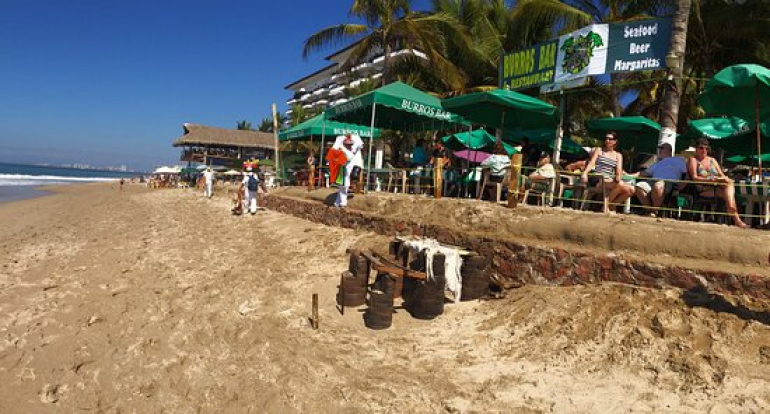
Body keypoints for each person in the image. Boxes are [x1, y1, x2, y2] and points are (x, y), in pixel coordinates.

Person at [686, 138, 748, 228]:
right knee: (727, 191)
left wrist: (722, 179)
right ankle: (734, 215)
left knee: (728, 183)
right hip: (703, 189)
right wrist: (711, 179)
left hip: (717, 185)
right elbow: (695, 178)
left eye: (706, 149)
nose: (704, 150)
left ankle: (731, 208)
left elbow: (721, 175)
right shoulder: (693, 160)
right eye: (701, 148)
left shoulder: (712, 160)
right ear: (696, 149)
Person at [581, 131, 635, 213]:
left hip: (609, 179)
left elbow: (619, 170)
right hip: (598, 178)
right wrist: (585, 173)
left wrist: (618, 176)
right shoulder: (599, 150)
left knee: (631, 189)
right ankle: (606, 207)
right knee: (619, 184)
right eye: (606, 138)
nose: (607, 141)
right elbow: (592, 163)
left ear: (615, 141)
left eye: (610, 139)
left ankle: (610, 205)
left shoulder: (618, 155)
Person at [634, 143, 687, 217]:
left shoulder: (679, 160)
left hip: (669, 183)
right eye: (659, 148)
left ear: (669, 150)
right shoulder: (657, 163)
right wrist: (628, 175)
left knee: (658, 185)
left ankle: (654, 211)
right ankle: (649, 210)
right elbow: (643, 173)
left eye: (662, 148)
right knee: (639, 186)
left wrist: (684, 183)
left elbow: (687, 173)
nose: (660, 150)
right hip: (653, 181)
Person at [331, 135, 357, 208]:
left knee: (343, 187)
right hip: (343, 172)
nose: (349, 146)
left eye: (350, 144)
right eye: (348, 144)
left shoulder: (350, 152)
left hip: (347, 172)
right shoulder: (343, 150)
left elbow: (349, 158)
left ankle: (337, 202)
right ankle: (343, 202)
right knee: (343, 186)